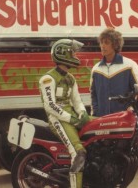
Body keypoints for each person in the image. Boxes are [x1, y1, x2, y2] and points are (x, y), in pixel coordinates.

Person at [38, 39, 91, 188]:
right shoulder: (48, 79)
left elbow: (77, 101)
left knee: (103, 124)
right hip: (57, 120)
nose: (75, 55)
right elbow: (50, 106)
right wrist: (72, 119)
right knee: (78, 153)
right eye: (72, 52)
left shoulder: (70, 78)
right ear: (63, 54)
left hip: (71, 117)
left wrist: (82, 114)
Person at [90, 28, 138, 117]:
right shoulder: (96, 69)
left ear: (115, 45)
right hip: (103, 120)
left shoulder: (130, 65)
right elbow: (93, 96)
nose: (102, 46)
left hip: (124, 119)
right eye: (101, 42)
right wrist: (95, 115)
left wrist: (131, 108)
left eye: (106, 43)